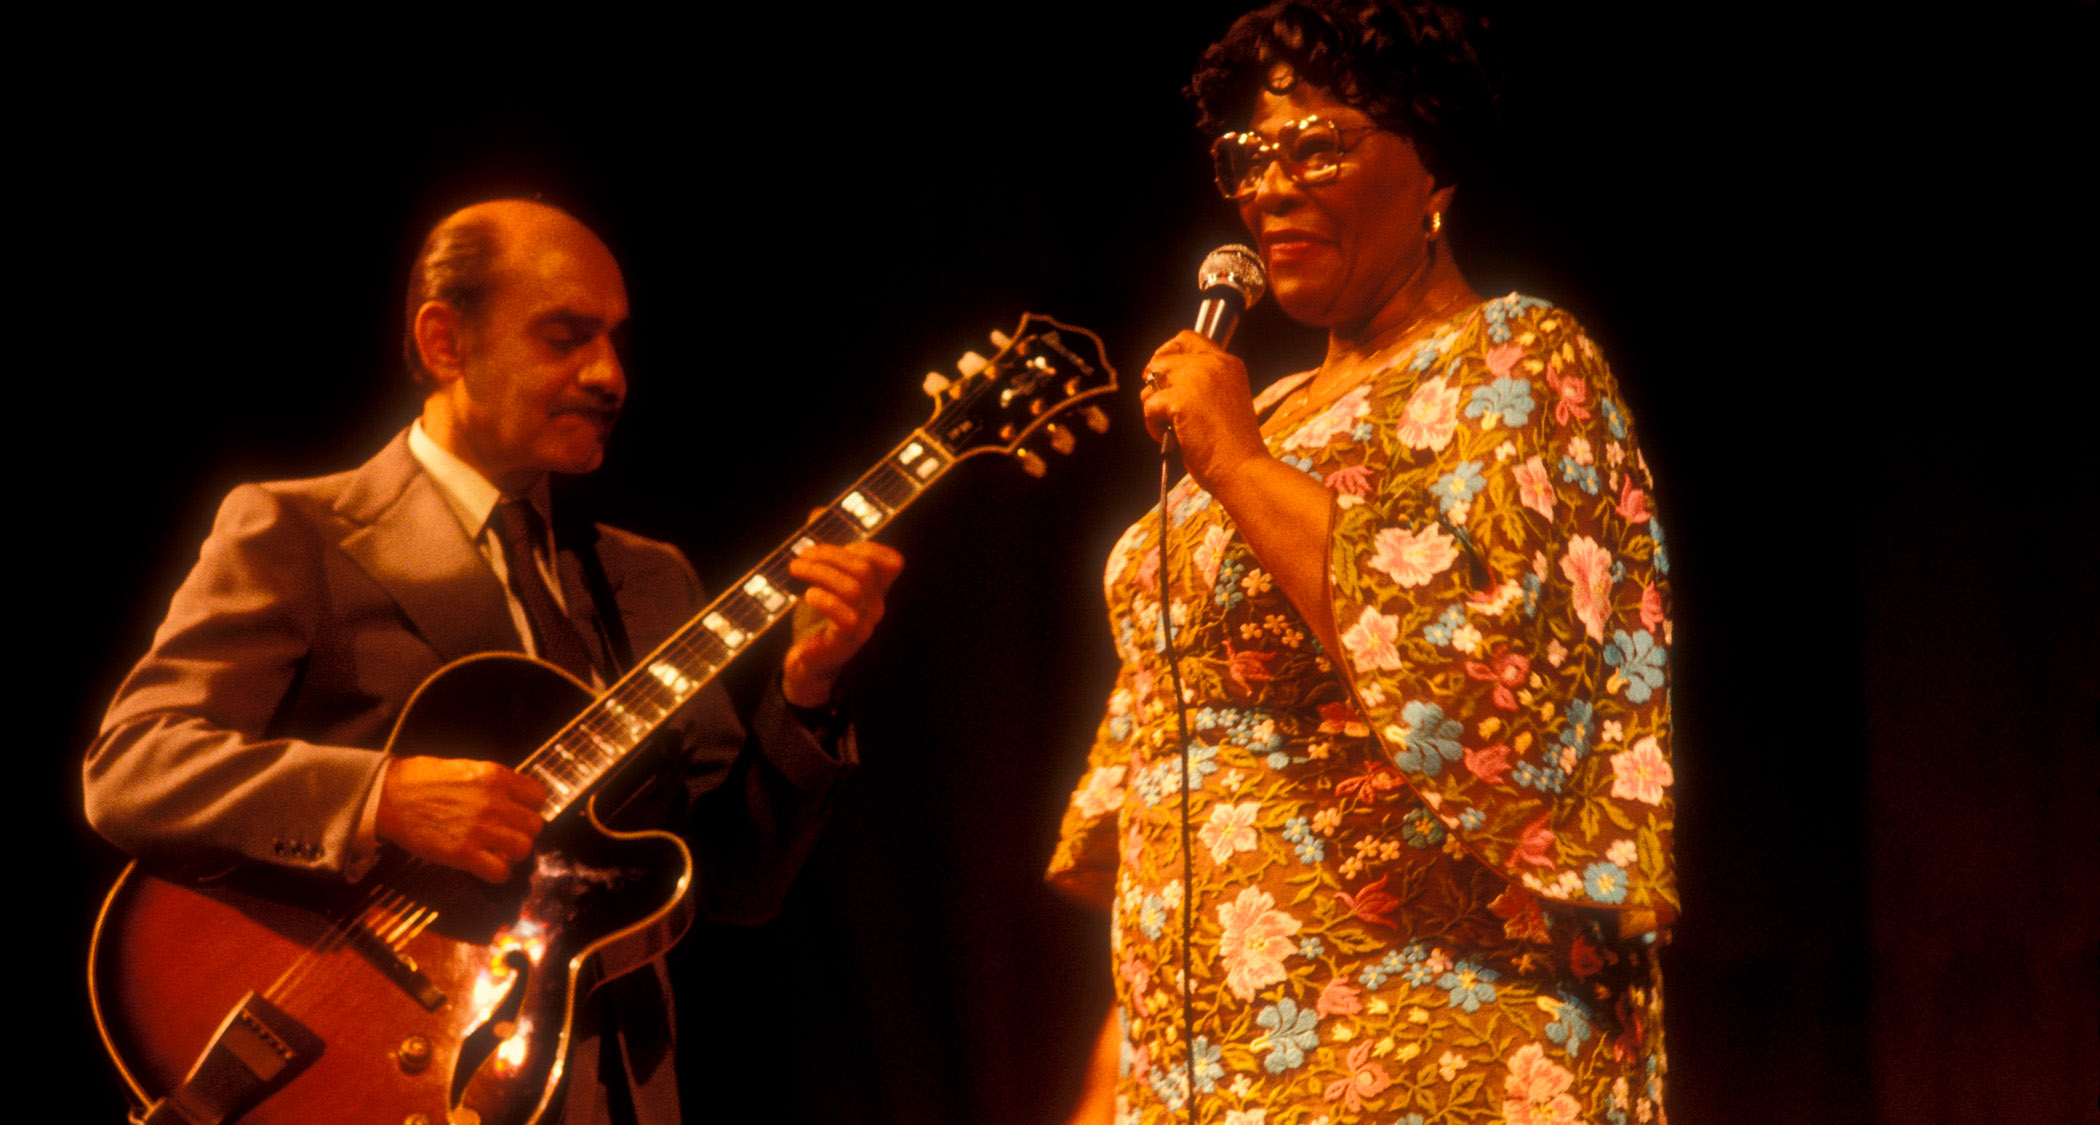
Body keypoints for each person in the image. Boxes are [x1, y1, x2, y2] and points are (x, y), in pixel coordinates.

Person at [84, 198, 904, 1123]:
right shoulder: (296, 530)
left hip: (617, 1093)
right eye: (565, 336)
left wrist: (808, 689)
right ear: (445, 342)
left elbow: (739, 886)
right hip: (364, 1066)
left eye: (617, 342)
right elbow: (132, 768)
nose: (609, 374)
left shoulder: (648, 580)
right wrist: (383, 796)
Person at [1048, 3, 1675, 1121]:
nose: (1270, 187)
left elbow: (1487, 686)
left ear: (1431, 169)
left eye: (1318, 146)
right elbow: (1178, 774)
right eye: (1250, 156)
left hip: (1433, 1042)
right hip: (1207, 1059)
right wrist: (1120, 1060)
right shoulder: (1270, 408)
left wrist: (1236, 460)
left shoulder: (1517, 359)